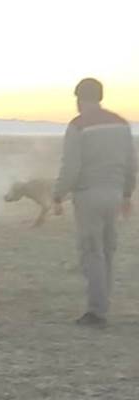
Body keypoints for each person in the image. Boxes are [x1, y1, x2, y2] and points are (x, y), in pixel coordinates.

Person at [52, 78, 137, 328]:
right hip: (114, 193)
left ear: (79, 99)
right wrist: (126, 195)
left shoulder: (78, 125)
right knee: (108, 250)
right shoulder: (121, 124)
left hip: (89, 195)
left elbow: (71, 167)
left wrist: (58, 194)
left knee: (92, 252)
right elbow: (132, 162)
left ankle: (96, 311)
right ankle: (103, 305)